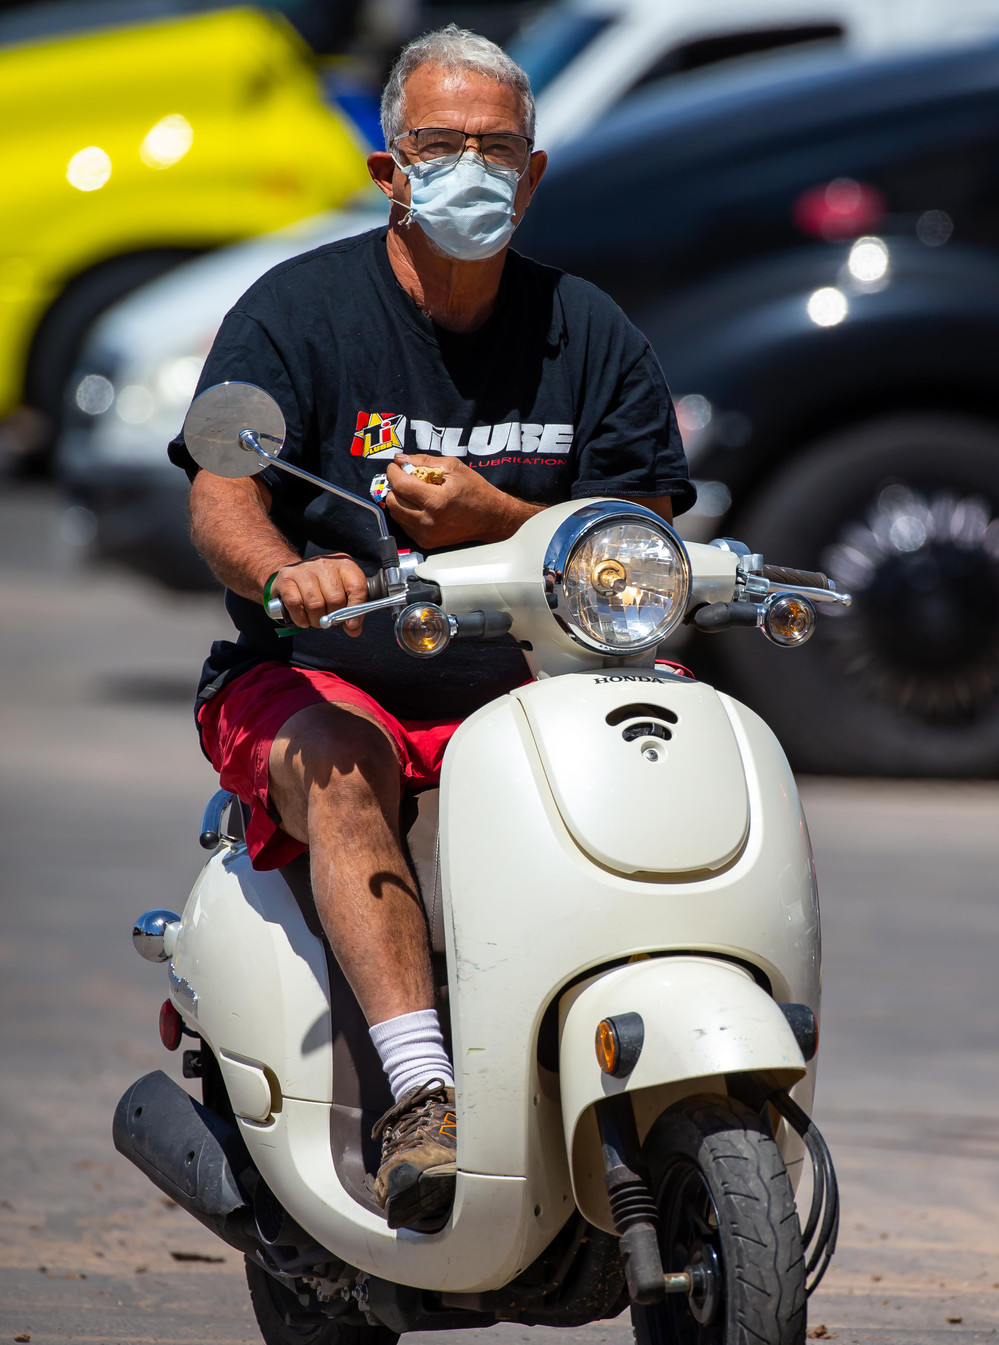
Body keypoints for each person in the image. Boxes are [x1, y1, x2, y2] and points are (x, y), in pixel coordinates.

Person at [170, 25, 694, 1229]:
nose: (471, 168)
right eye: (440, 146)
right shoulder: (296, 311)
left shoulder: (590, 330)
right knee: (343, 767)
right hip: (317, 677)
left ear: (536, 170)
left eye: (496, 148)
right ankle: (419, 1094)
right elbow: (222, 495)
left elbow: (644, 525)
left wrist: (499, 516)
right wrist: (285, 576)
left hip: (532, 678)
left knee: (668, 741)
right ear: (388, 170)